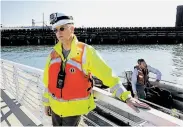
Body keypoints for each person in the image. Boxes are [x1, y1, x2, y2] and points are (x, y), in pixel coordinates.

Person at [42, 13, 150, 126]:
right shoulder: (53, 54)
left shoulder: (86, 52)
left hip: (73, 111)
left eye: (62, 28)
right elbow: (48, 83)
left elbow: (108, 76)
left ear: (72, 28)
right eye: (55, 30)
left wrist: (126, 96)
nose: (58, 33)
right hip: (55, 109)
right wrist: (46, 103)